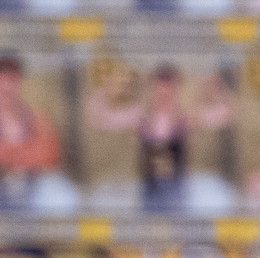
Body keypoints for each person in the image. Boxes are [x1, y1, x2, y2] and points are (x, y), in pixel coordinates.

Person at [86, 64, 236, 211]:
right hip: (148, 192)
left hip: (177, 192)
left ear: (177, 89)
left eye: (170, 87)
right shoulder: (139, 117)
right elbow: (98, 118)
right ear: (150, 88)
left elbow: (228, 113)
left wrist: (214, 87)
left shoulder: (187, 118)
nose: (164, 92)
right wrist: (106, 88)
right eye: (159, 86)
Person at [0, 56, 62, 211]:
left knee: (61, 196)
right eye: (2, 80)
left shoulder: (37, 116)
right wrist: (29, 152)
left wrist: (10, 157)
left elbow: (49, 156)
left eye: (11, 79)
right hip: (5, 186)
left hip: (35, 183)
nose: (6, 86)